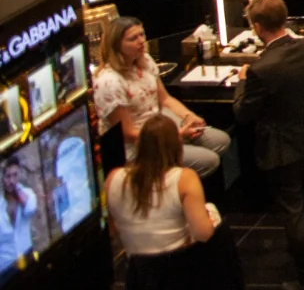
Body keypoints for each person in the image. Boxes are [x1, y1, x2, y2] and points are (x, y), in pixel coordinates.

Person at [233, 0, 304, 290]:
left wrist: (242, 79)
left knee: (292, 211)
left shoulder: (260, 70)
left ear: (258, 27)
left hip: (284, 147)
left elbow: (242, 113)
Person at [107, 116, 239, 290]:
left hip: (138, 277)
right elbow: (203, 233)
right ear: (176, 146)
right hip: (178, 273)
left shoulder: (113, 178)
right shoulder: (184, 178)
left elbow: (112, 230)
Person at [96, 16, 233, 178]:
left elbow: (165, 99)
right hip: (139, 146)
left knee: (220, 140)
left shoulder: (144, 60)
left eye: (142, 35)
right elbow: (128, 133)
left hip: (159, 124)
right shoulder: (109, 82)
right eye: (133, 38)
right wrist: (178, 134)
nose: (141, 41)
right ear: (116, 45)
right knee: (210, 160)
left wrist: (189, 116)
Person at [0, 156, 36, 265]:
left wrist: (18, 191)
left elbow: (31, 208)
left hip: (27, 254)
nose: (11, 181)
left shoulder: (27, 193)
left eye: (15, 175)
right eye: (8, 176)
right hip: (6, 264)